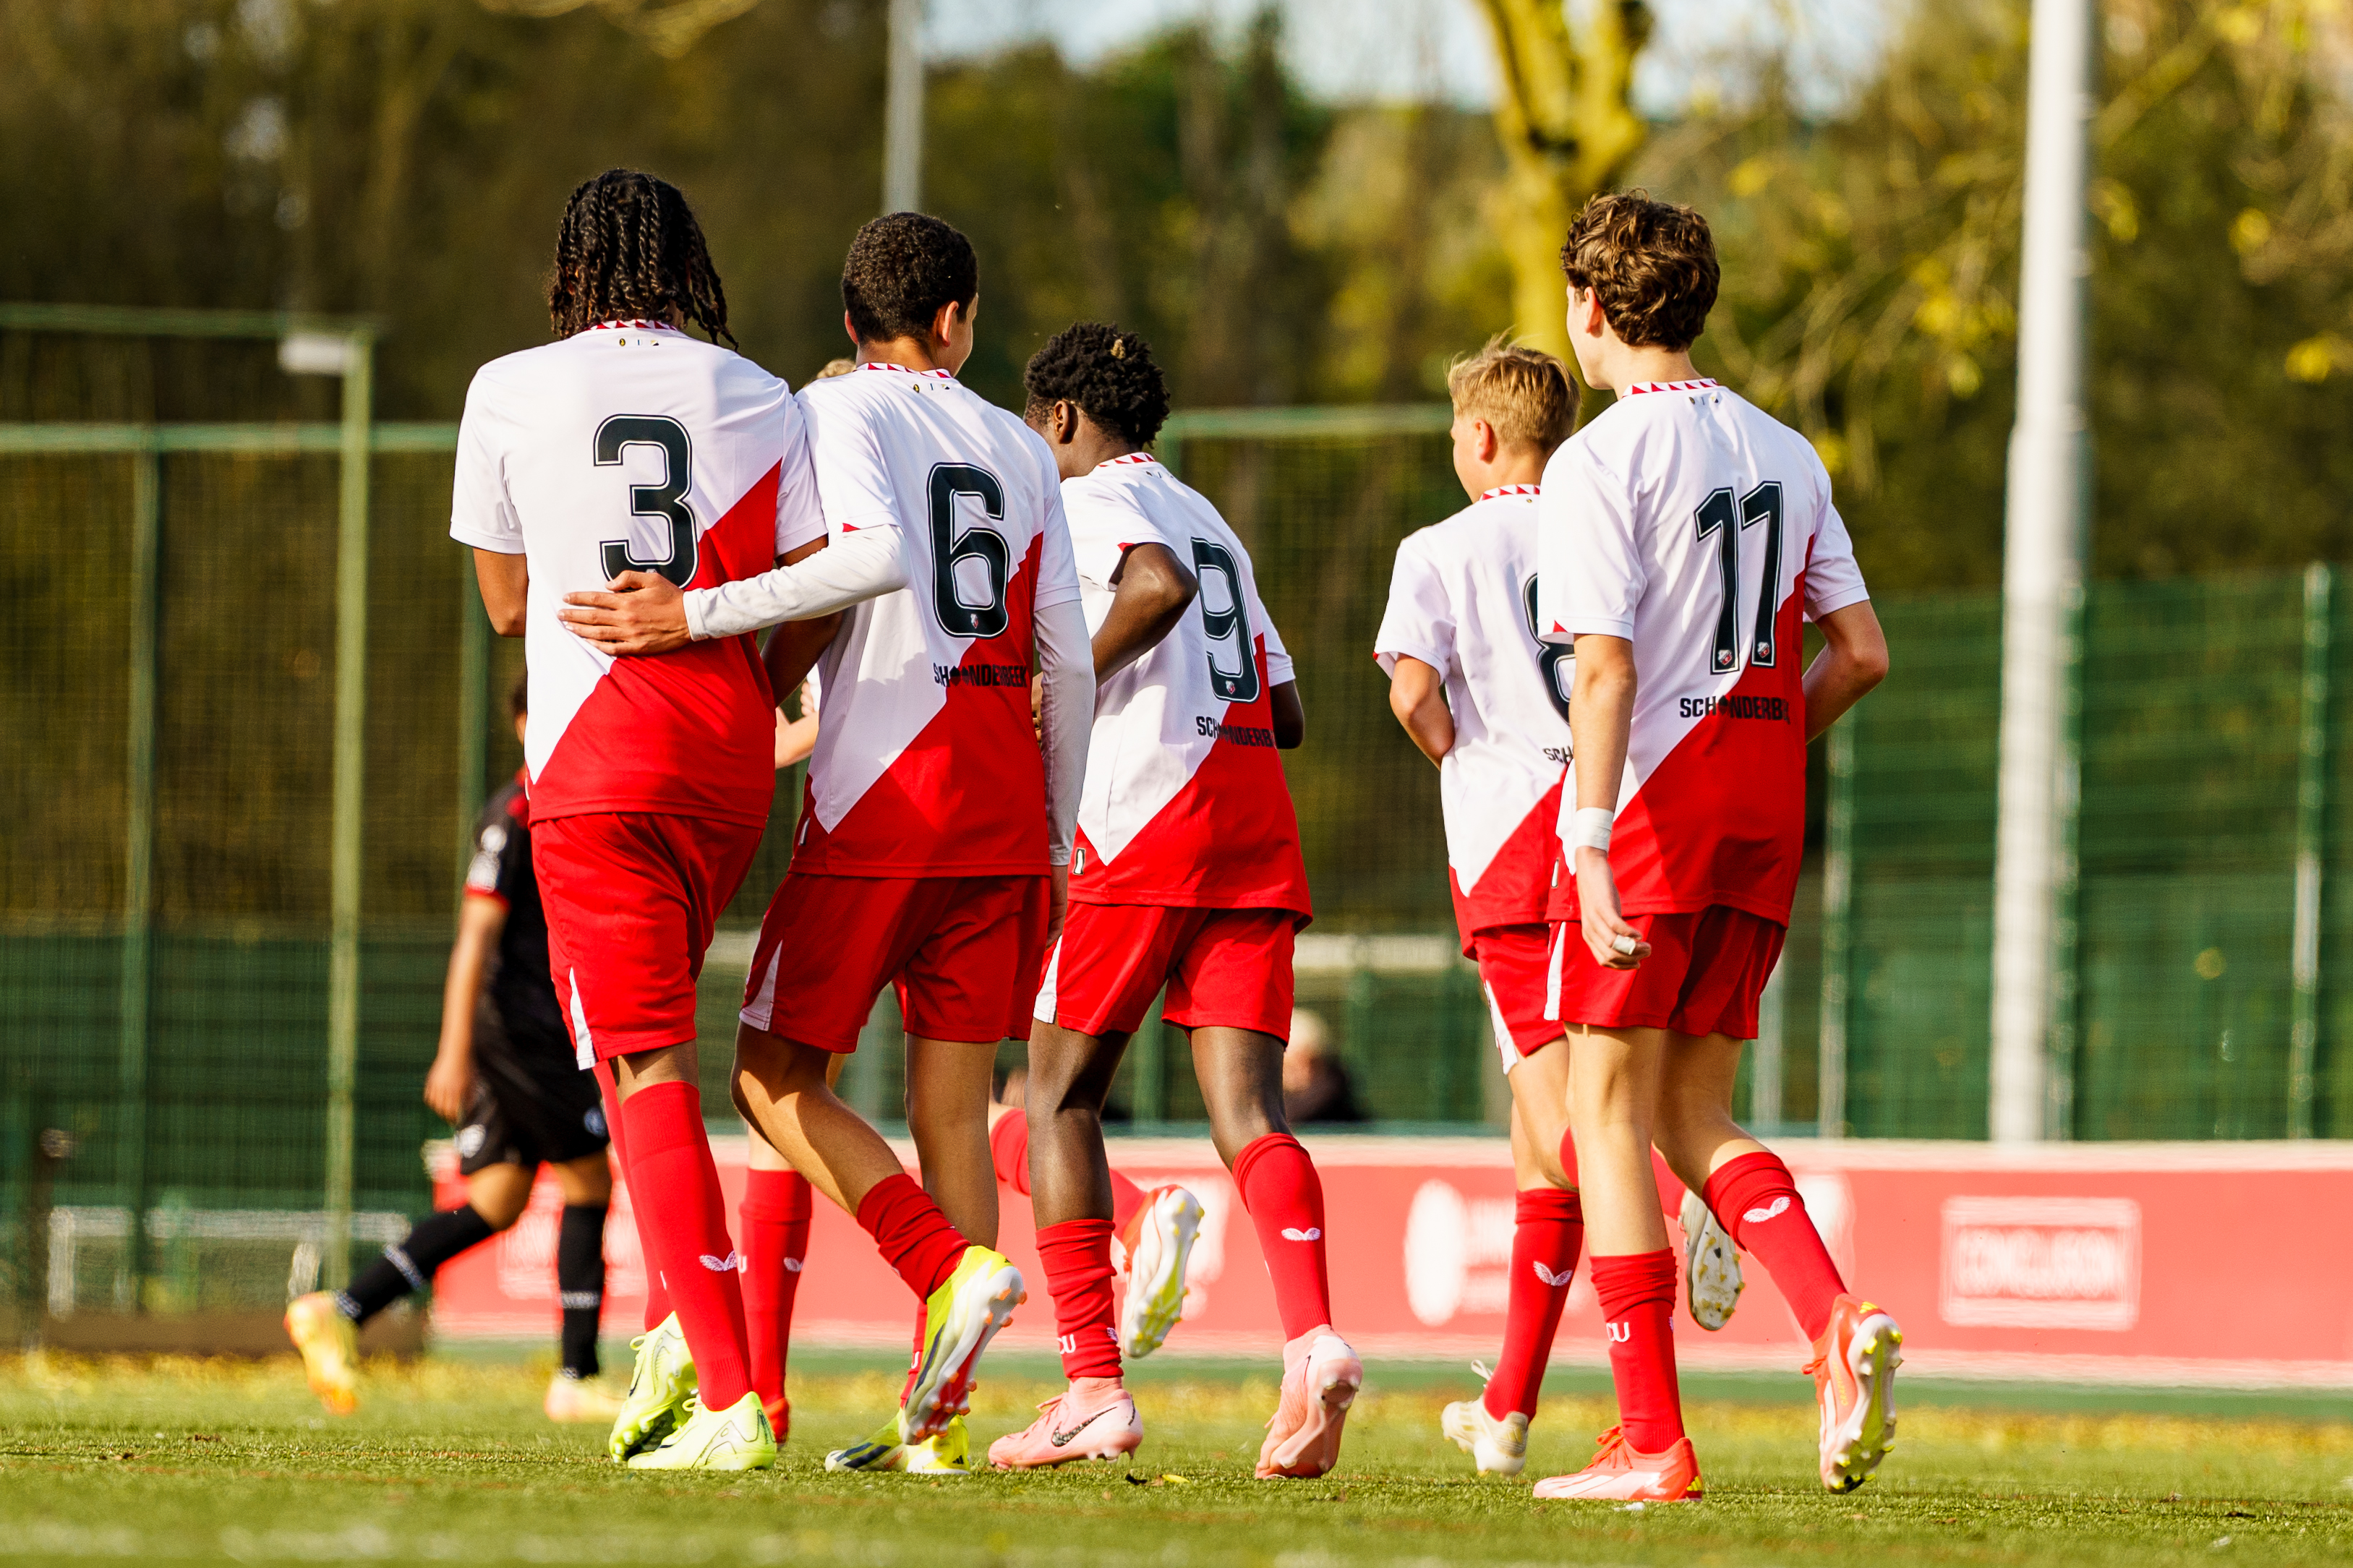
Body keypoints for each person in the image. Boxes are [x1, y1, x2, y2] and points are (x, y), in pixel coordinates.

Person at [573, 213, 1093, 1477]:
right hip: (1001, 806)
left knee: (765, 1072)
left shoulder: (834, 412)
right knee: (952, 1111)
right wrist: (1061, 838)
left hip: (881, 794)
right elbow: (1067, 657)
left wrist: (693, 616)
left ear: (849, 321)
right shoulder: (1022, 450)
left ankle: (948, 1267)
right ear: (957, 318)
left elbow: (845, 566)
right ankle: (943, 1420)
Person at [447, 167, 859, 1473]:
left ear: (574, 264)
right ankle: (678, 1332)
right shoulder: (760, 391)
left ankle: (729, 1384)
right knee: (641, 1055)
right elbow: (819, 583)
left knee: (639, 1059)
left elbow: (509, 608)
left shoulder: (508, 383)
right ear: (687, 261)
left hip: (596, 756)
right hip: (726, 757)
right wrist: (752, 676)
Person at [1530, 192, 1894, 1502]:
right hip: (1759, 803)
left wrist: (1584, 846)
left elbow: (1605, 670)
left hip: (1654, 808)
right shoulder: (1789, 452)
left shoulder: (1593, 461)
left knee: (1603, 1106)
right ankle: (1834, 1322)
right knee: (1691, 1107)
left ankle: (1649, 1439)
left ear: (1587, 303)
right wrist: (1767, 741)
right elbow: (1858, 652)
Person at [1373, 338, 1744, 1478]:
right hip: (1607, 812)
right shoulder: (1601, 511)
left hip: (1503, 848)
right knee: (1549, 1143)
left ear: (1478, 438)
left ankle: (1696, 1211)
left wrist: (1451, 754)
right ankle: (1507, 1406)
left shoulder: (1436, 545)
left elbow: (1413, 690)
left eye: (1451, 432)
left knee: (1567, 1128)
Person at [995, 321, 1358, 1481]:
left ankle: (1092, 1387)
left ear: (1061, 421)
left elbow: (1147, 590)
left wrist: (1064, 684)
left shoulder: (1092, 505)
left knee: (1052, 1099)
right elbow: (1288, 710)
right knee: (1250, 1113)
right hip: (1249, 820)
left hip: (1145, 823)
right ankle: (1312, 1339)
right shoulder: (1215, 521)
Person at [284, 675, 619, 1424]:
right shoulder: (515, 816)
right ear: (526, 723)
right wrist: (453, 1049)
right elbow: (474, 940)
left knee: (496, 1200)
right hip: (519, 1033)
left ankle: (340, 1308)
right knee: (590, 1180)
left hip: (523, 1029)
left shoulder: (564, 804)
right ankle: (576, 1374)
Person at [1277, 1009, 1363, 1125]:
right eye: (1291, 1066)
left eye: (1312, 1063)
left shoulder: (1341, 1111)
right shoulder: (1270, 1112)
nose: (1303, 1072)